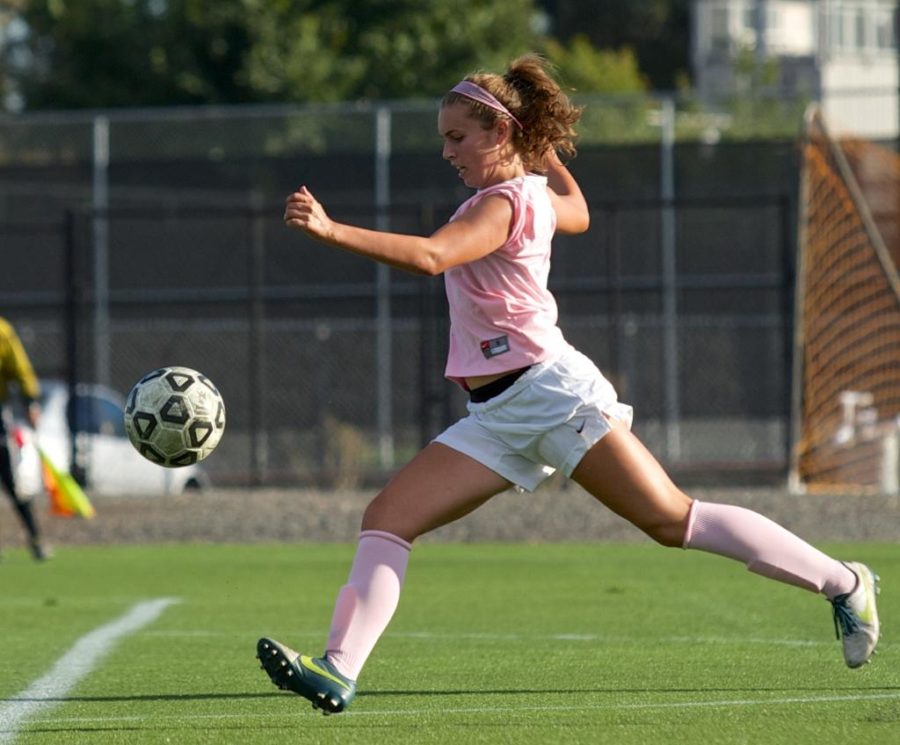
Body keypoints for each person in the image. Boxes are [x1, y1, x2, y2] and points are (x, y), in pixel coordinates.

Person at [257, 55, 880, 714]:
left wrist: (329, 229)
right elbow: (577, 210)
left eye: (457, 136)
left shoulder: (503, 201)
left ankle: (844, 581)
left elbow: (432, 256)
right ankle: (338, 668)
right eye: (443, 138)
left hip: (553, 395)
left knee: (672, 519)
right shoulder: (523, 194)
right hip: (496, 414)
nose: (447, 151)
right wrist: (544, 153)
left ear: (499, 131)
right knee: (387, 517)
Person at [0, 317, 50, 561]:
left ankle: (35, 537)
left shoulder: (2, 331)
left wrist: (30, 401)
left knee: (11, 479)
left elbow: (20, 369)